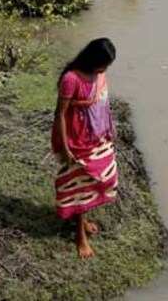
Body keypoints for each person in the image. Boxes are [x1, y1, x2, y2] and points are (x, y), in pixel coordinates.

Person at [50, 37, 118, 259]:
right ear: (93, 60)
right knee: (80, 188)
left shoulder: (99, 75)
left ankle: (83, 220)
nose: (105, 69)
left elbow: (104, 101)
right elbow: (60, 114)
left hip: (98, 136)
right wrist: (66, 148)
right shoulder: (71, 79)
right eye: (104, 65)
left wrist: (111, 125)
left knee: (104, 178)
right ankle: (80, 235)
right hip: (76, 140)